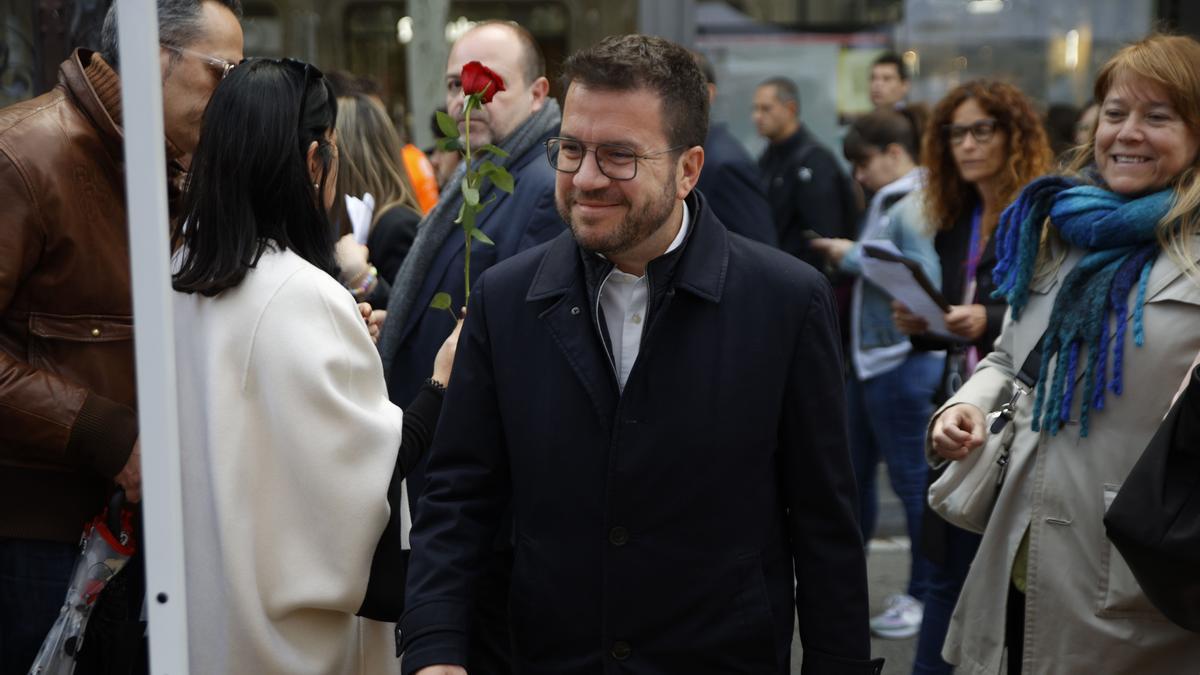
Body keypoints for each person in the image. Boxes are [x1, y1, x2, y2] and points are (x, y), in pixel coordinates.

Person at [399, 34, 883, 675]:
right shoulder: (505, 298)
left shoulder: (785, 303)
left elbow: (825, 527)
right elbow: (458, 497)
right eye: (570, 150)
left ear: (688, 168)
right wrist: (434, 649)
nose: (586, 179)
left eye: (619, 156)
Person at [171, 57, 462, 675]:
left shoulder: (183, 269)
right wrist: (441, 380)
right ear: (311, 162)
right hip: (286, 642)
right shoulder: (301, 292)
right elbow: (365, 480)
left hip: (203, 615)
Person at [929, 35, 1200, 674]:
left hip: (1138, 582)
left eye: (1157, 117)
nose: (1127, 133)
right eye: (1115, 113)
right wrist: (965, 406)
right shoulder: (1060, 228)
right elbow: (1007, 358)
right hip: (1016, 562)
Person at [0, 1, 242, 672]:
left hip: (131, 530)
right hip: (36, 540)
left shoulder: (165, 165)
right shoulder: (22, 153)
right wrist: (108, 435)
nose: (233, 97)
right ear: (150, 54)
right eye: (221, 72)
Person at [375, 18, 565, 674]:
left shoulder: (541, 191)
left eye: (488, 86)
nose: (466, 102)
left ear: (539, 92)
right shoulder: (478, 178)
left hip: (490, 504)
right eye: (457, 86)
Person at [894, 79, 1052, 675]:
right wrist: (925, 321)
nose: (966, 144)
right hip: (956, 404)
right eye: (954, 132)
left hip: (1016, 420)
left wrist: (987, 318)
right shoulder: (957, 215)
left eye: (981, 130)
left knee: (996, 584)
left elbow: (1049, 316)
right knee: (941, 570)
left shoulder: (1040, 213)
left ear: (1015, 135)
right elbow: (963, 320)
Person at [809, 108, 939, 642]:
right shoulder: (899, 199)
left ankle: (923, 596)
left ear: (894, 152)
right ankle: (845, 588)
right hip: (878, 362)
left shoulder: (914, 202)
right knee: (855, 477)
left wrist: (851, 255)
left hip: (903, 363)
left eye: (864, 162)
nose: (858, 175)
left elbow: (926, 281)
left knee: (912, 486)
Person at [754, 76, 859, 271]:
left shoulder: (814, 162)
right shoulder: (768, 157)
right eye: (755, 108)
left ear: (791, 109)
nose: (757, 116)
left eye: (766, 108)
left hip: (801, 279)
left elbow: (824, 237)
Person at [333, 92, 424, 293]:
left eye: (329, 146)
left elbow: (411, 316)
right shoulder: (373, 221)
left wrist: (361, 277)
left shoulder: (397, 226)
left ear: (347, 154)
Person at [691, 51, 776, 245]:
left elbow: (758, 250)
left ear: (709, 93)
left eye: (679, 88)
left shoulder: (725, 164)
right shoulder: (686, 152)